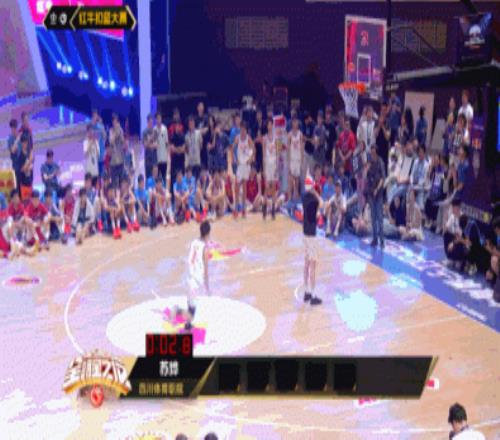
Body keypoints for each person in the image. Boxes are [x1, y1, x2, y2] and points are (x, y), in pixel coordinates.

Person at [183, 220, 211, 331]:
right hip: (196, 279)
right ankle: (187, 327)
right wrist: (207, 285)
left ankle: (188, 324)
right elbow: (206, 269)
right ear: (208, 234)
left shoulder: (194, 242)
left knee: (190, 303)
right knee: (193, 308)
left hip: (188, 276)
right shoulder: (205, 248)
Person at [302, 173, 323, 305]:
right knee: (313, 264)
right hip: (312, 235)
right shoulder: (314, 199)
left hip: (305, 233)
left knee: (306, 263)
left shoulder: (304, 197)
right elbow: (322, 203)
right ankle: (314, 295)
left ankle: (306, 292)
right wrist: (316, 192)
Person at [232, 123, 255, 219]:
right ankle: (236, 208)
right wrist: (234, 158)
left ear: (246, 130)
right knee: (237, 186)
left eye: (244, 129)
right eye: (241, 129)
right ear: (240, 129)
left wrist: (251, 159)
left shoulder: (248, 139)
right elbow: (232, 148)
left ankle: (244, 209)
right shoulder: (237, 138)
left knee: (244, 186)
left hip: (246, 165)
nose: (243, 131)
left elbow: (253, 149)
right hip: (239, 165)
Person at [366, 144, 385, 247]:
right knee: (373, 217)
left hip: (379, 194)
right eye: (371, 153)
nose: (372, 155)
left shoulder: (380, 162)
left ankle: (382, 240)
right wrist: (366, 169)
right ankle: (374, 239)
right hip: (370, 193)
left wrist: (377, 189)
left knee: (379, 217)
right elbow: (365, 177)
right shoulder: (369, 163)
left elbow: (382, 178)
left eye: (374, 153)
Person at [263, 119, 279, 219]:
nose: (269, 126)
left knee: (273, 188)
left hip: (274, 165)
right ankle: (264, 207)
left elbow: (278, 152)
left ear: (272, 125)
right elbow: (263, 154)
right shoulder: (264, 138)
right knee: (266, 188)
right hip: (267, 165)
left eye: (270, 124)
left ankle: (273, 209)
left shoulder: (277, 138)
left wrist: (277, 166)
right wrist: (264, 168)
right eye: (268, 124)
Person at [443, 199, 466, 269]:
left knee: (458, 267)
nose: (452, 209)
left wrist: (453, 243)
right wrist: (445, 219)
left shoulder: (463, 218)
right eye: (452, 207)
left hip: (461, 240)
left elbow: (461, 236)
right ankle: (450, 258)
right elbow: (446, 228)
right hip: (454, 237)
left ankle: (459, 259)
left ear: (458, 208)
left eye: (453, 207)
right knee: (446, 235)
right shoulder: (452, 216)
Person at [288, 117, 304, 201]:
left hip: (298, 159)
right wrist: (288, 160)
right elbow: (288, 149)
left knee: (297, 178)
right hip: (292, 159)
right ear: (292, 123)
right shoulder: (289, 134)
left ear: (298, 123)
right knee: (291, 178)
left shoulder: (300, 134)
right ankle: (290, 196)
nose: (295, 124)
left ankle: (296, 195)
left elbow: (302, 148)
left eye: (296, 122)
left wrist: (302, 160)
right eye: (293, 122)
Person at [410, 144, 430, 210]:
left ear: (424, 153)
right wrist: (412, 182)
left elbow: (424, 179)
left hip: (421, 187)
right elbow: (412, 174)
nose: (420, 154)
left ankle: (421, 209)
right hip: (413, 185)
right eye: (419, 152)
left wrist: (417, 183)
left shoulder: (426, 165)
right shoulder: (415, 162)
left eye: (422, 152)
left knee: (419, 195)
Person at [109, 114, 126, 188]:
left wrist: (120, 133)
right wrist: (116, 133)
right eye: (114, 121)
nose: (115, 123)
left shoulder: (120, 130)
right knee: (113, 183)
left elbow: (123, 142)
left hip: (120, 160)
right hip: (113, 161)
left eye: (116, 121)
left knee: (121, 182)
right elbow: (111, 141)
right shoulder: (111, 131)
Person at [90, 109, 107, 177]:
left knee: (101, 173)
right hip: (93, 154)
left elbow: (105, 137)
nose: (95, 118)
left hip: (101, 154)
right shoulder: (90, 128)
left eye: (96, 116)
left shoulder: (100, 126)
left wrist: (101, 129)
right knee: (94, 174)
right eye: (93, 116)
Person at [155, 112, 169, 184]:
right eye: (157, 118)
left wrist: (168, 156)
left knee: (164, 177)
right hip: (157, 158)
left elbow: (167, 143)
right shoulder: (154, 130)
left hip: (164, 157)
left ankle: (164, 189)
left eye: (159, 118)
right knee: (157, 178)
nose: (158, 120)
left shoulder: (164, 129)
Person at [7, 119, 21, 192]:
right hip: (15, 166)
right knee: (16, 186)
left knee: (23, 186)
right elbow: (12, 150)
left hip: (23, 165)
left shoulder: (21, 137)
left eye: (15, 127)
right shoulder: (10, 139)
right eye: (12, 128)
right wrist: (17, 140)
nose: (14, 130)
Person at [143, 114, 157, 180]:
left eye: (152, 122)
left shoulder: (155, 131)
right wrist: (150, 138)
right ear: (147, 122)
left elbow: (156, 145)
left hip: (154, 158)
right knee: (148, 178)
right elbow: (145, 145)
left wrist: (149, 145)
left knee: (155, 178)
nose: (151, 124)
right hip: (148, 158)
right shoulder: (144, 132)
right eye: (150, 122)